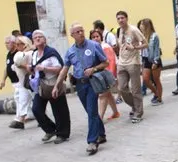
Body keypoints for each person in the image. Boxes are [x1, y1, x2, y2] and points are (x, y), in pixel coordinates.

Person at [54, 23, 108, 155]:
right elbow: (64, 70)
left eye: (81, 30)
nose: (80, 33)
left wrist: (94, 68)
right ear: (72, 35)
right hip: (79, 84)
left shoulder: (94, 45)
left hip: (92, 83)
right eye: (77, 32)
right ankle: (101, 134)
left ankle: (92, 141)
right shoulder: (70, 51)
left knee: (92, 111)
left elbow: (105, 62)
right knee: (91, 112)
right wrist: (57, 85)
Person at [30, 30, 71, 145]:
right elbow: (34, 67)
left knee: (59, 110)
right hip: (41, 85)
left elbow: (60, 68)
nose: (37, 39)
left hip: (54, 84)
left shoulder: (51, 52)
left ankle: (62, 134)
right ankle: (50, 129)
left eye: (40, 37)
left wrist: (45, 69)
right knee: (36, 109)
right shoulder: (34, 54)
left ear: (45, 39)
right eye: (35, 37)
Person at [115, 11, 147, 123]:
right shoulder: (119, 30)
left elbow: (145, 43)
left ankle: (138, 113)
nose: (120, 20)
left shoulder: (133, 30)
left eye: (122, 18)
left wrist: (134, 47)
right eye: (118, 18)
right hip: (122, 63)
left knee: (136, 89)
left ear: (127, 18)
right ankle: (135, 105)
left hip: (133, 62)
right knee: (122, 88)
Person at [89, 29, 120, 121]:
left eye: (97, 36)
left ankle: (100, 118)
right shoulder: (92, 48)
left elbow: (111, 62)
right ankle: (115, 112)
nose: (95, 38)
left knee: (103, 95)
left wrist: (111, 76)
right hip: (99, 76)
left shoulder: (105, 47)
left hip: (105, 76)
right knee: (108, 94)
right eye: (93, 37)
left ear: (101, 37)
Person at [0, 35, 28, 129]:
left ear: (13, 43)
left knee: (21, 99)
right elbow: (6, 68)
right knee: (22, 99)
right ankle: (29, 116)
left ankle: (19, 120)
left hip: (21, 80)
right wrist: (3, 80)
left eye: (8, 43)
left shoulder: (19, 53)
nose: (6, 45)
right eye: (5, 43)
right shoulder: (9, 54)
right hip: (15, 82)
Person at [139, 18, 163, 105]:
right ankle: (156, 93)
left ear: (146, 26)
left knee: (156, 80)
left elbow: (156, 50)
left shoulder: (154, 36)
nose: (140, 26)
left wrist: (156, 62)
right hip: (146, 60)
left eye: (142, 24)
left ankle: (159, 98)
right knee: (145, 79)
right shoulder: (141, 36)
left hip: (154, 60)